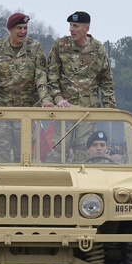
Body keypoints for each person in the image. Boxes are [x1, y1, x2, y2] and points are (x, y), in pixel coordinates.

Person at [0, 13, 53, 161]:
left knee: (25, 155)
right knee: (0, 153)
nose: (23, 32)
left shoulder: (35, 48)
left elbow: (40, 77)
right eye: (19, 28)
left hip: (26, 111)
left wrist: (45, 99)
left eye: (25, 28)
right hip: (1, 111)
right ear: (10, 29)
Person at [47, 11, 116, 161]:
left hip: (88, 110)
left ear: (86, 28)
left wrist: (110, 106)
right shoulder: (61, 45)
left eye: (76, 26)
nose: (71, 29)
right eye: (70, 25)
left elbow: (106, 80)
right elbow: (51, 76)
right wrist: (58, 99)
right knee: (59, 149)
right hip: (64, 109)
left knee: (83, 149)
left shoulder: (98, 49)